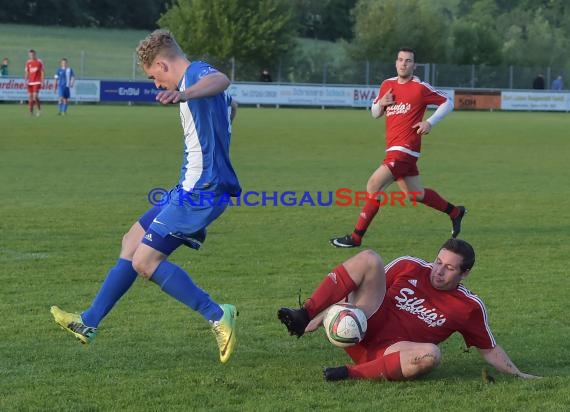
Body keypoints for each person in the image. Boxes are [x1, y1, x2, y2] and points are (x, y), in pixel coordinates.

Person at [50, 29, 241, 363]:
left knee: (145, 261)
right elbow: (230, 102)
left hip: (202, 190)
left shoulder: (195, 74)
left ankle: (217, 313)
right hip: (187, 187)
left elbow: (222, 80)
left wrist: (185, 96)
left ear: (164, 65)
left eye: (154, 76)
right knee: (131, 240)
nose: (156, 85)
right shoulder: (193, 85)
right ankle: (89, 321)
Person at [278, 239, 540, 381]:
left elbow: (490, 349)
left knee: (431, 355)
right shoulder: (410, 266)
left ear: (465, 273)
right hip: (363, 327)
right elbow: (361, 283)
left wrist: (519, 374)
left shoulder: (469, 307)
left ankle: (349, 373)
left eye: (449, 268)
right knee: (370, 259)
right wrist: (319, 315)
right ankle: (304, 312)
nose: (438, 270)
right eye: (438, 261)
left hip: (391, 354)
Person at [330, 48, 465, 248]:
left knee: (373, 185)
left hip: (406, 149)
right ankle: (455, 212)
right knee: (415, 194)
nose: (404, 64)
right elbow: (375, 113)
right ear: (396, 63)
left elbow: (448, 102)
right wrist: (382, 103)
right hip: (394, 149)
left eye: (408, 61)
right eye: (401, 60)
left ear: (414, 65)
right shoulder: (387, 84)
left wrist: (430, 122)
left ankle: (355, 237)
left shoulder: (420, 88)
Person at [24, 49, 45, 116]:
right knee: (30, 96)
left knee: (35, 96)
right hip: (30, 82)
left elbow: (42, 71)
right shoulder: (28, 62)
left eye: (32, 54)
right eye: (30, 55)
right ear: (29, 55)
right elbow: (27, 72)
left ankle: (39, 109)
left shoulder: (39, 61)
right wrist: (25, 80)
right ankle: (31, 112)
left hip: (37, 81)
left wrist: (42, 80)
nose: (31, 56)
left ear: (35, 54)